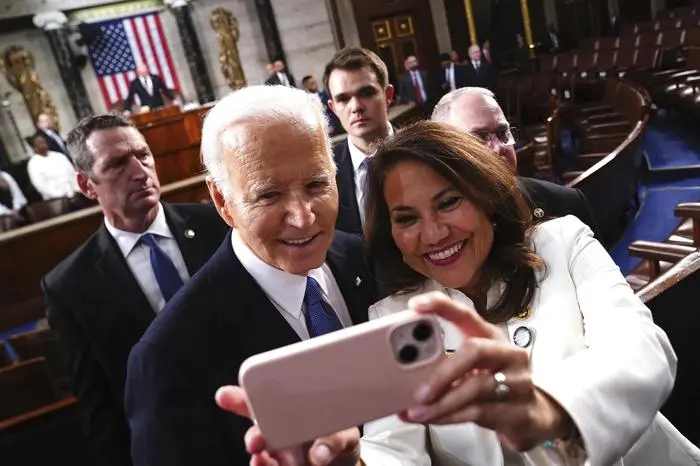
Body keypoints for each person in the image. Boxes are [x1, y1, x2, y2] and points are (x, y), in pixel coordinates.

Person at [358, 121, 696, 465]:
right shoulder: (393, 319)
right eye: (406, 219)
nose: (432, 234)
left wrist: (549, 412)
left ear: (485, 194)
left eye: (448, 202)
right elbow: (390, 446)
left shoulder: (563, 243)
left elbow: (640, 347)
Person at [125, 85, 377, 466]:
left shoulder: (363, 258)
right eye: (269, 195)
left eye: (316, 184)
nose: (303, 216)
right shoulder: (168, 358)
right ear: (222, 200)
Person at [43, 113, 229, 466]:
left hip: (255, 429)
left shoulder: (219, 226)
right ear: (86, 184)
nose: (141, 171)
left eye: (143, 155)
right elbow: (99, 407)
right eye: (117, 164)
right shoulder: (69, 286)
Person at [431, 87, 597, 234]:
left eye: (503, 133)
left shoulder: (567, 205)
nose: (498, 148)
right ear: (445, 151)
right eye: (480, 137)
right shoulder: (431, 232)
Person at [323, 47, 394, 235]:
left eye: (366, 93)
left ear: (388, 95)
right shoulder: (324, 173)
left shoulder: (425, 154)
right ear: (333, 108)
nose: (356, 107)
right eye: (343, 99)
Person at [27, 133, 80, 200]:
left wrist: (77, 190)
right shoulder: (33, 163)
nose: (43, 144)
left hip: (75, 194)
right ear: (34, 147)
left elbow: (72, 173)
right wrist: (61, 195)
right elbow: (40, 186)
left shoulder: (59, 156)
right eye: (40, 143)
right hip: (56, 200)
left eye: (44, 142)